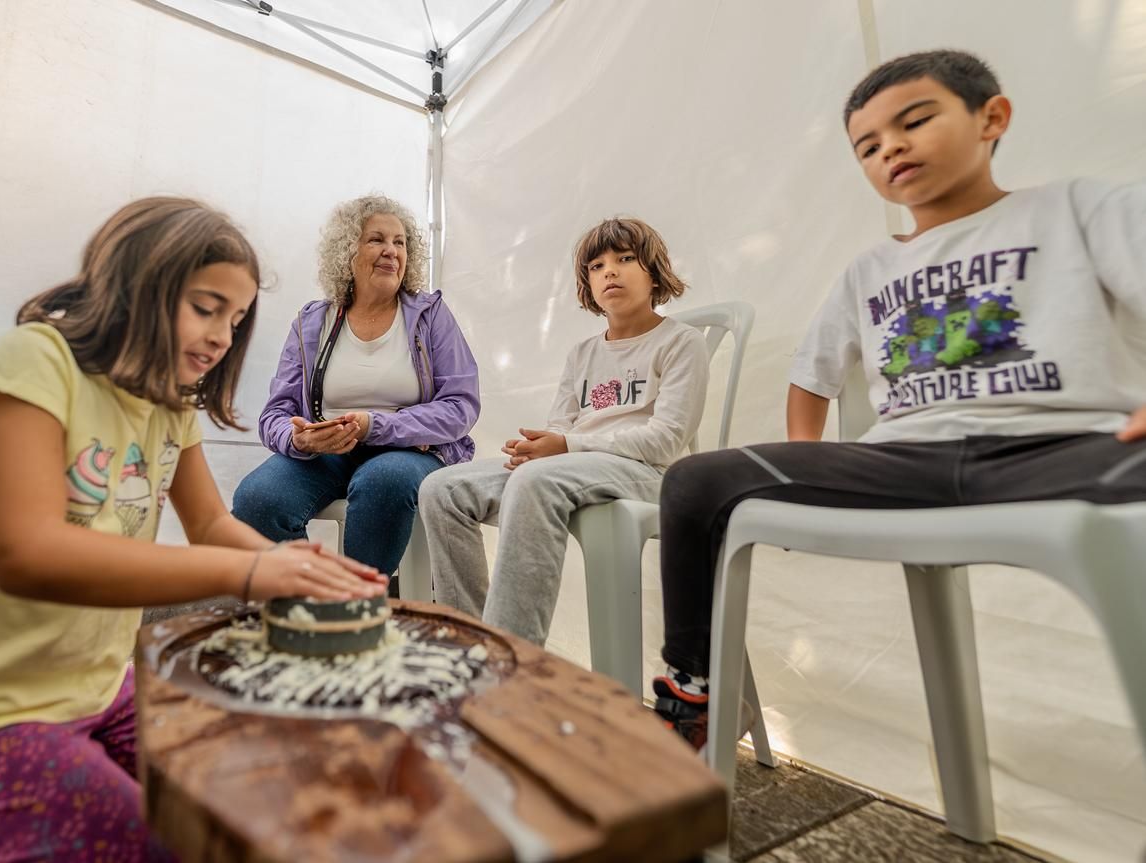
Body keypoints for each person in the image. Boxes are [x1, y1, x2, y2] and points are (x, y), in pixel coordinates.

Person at [0, 197, 385, 861]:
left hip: (97, 690)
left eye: (236, 319)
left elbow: (212, 521)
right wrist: (252, 573)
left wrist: (299, 563)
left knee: (238, 799)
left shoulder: (170, 403)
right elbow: (27, 552)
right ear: (137, 282)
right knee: (163, 843)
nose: (222, 335)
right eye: (205, 306)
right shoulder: (34, 361)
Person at [653, 49, 1146, 749]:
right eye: (869, 146)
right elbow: (812, 373)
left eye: (915, 121)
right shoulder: (871, 266)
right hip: (906, 459)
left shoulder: (1076, 207)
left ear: (991, 118)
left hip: (1061, 449)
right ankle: (694, 695)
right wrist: (807, 454)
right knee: (696, 479)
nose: (893, 149)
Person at [419, 217, 710, 646]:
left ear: (654, 272)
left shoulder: (681, 343)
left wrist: (566, 446)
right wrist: (538, 446)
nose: (610, 270)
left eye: (626, 258)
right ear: (587, 284)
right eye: (596, 266)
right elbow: (561, 425)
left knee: (537, 482)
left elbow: (665, 440)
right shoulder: (583, 353)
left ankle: (512, 663)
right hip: (573, 467)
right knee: (441, 488)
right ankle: (470, 648)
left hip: (647, 473)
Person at [232, 195, 480, 591]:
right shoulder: (311, 322)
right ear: (348, 250)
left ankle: (357, 605)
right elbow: (274, 415)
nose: (391, 251)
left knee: (384, 481)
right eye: (376, 240)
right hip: (327, 453)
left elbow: (460, 407)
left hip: (408, 451)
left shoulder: (429, 315)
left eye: (400, 243)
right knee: (258, 499)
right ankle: (312, 602)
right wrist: (298, 438)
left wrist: (374, 426)